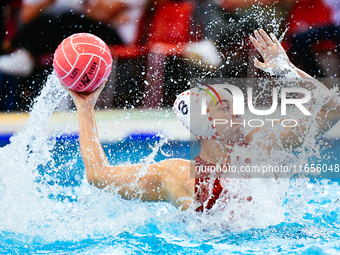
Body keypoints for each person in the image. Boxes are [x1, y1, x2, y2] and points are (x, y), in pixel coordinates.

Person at [66, 29, 340, 212]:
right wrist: (85, 106)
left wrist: (288, 71)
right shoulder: (175, 174)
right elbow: (99, 175)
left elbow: (333, 108)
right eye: (224, 108)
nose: (238, 113)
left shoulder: (263, 146)